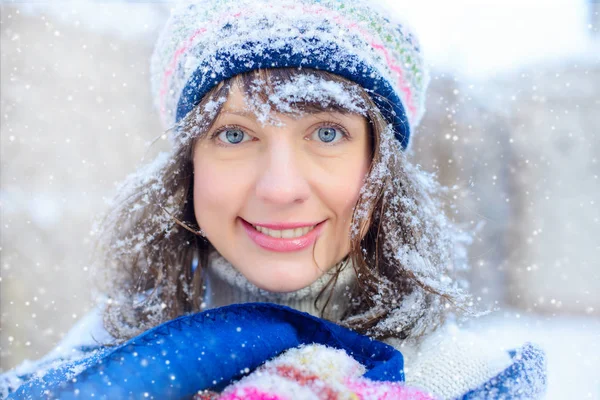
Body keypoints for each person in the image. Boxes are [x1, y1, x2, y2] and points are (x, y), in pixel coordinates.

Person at [1, 0, 547, 398]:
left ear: (379, 168)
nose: (280, 188)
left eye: (327, 133)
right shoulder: (94, 363)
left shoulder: (467, 381)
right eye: (235, 135)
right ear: (188, 167)